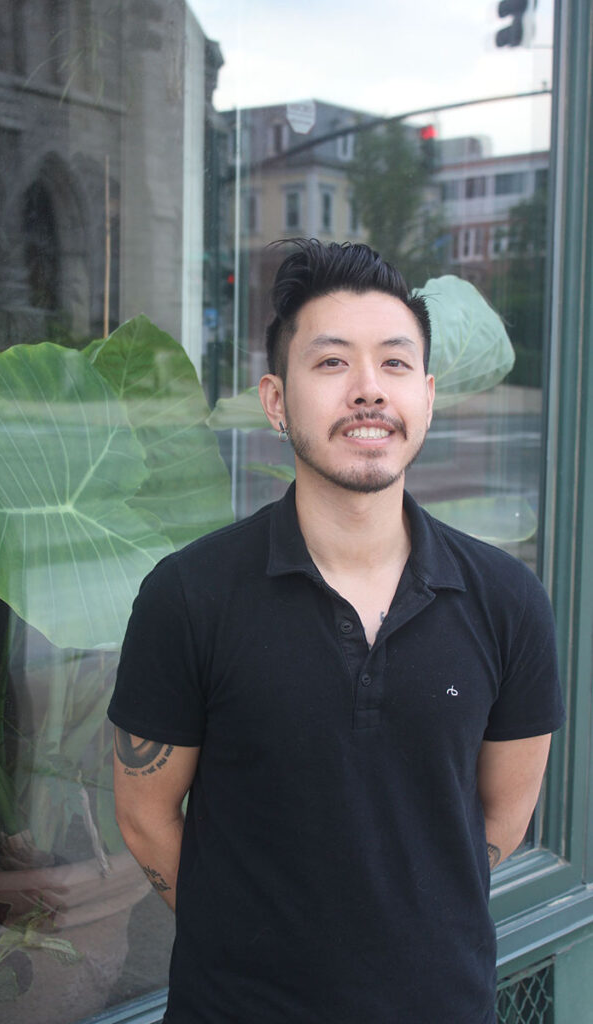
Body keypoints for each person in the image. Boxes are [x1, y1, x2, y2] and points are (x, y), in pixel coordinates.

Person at [108, 239, 565, 1024]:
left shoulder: (505, 600)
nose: (366, 390)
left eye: (393, 365)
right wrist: (248, 939)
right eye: (329, 363)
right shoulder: (190, 596)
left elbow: (504, 814)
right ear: (276, 400)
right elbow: (145, 816)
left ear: (424, 394)